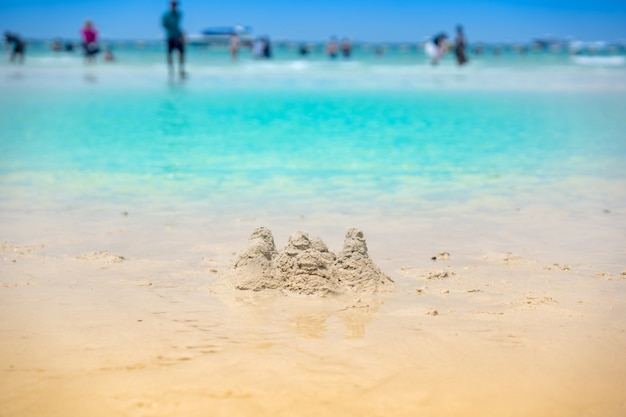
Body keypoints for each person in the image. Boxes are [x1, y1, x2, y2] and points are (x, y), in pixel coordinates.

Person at [162, 0, 186, 78]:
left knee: (181, 53)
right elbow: (164, 25)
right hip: (170, 37)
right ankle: (171, 71)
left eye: (175, 4)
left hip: (178, 36)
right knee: (169, 54)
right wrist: (172, 31)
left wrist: (182, 35)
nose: (174, 6)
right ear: (170, 5)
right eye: (173, 4)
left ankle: (181, 70)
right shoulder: (166, 15)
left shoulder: (179, 14)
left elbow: (178, 26)